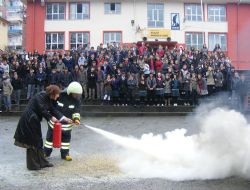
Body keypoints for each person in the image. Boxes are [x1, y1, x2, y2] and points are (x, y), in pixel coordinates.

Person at [14, 85, 72, 170]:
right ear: (53, 93)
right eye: (57, 94)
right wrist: (51, 118)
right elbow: (42, 110)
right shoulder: (41, 96)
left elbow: (53, 110)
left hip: (34, 120)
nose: (58, 96)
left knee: (38, 140)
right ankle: (33, 165)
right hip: (29, 120)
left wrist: (64, 118)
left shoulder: (48, 98)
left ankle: (43, 162)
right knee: (32, 142)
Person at [44, 82, 82, 161]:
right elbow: (52, 107)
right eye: (76, 94)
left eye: (78, 94)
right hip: (55, 123)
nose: (77, 96)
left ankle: (65, 154)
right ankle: (46, 152)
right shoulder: (59, 95)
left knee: (66, 141)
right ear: (70, 91)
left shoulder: (77, 101)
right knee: (49, 139)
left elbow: (76, 111)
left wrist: (76, 119)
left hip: (67, 125)